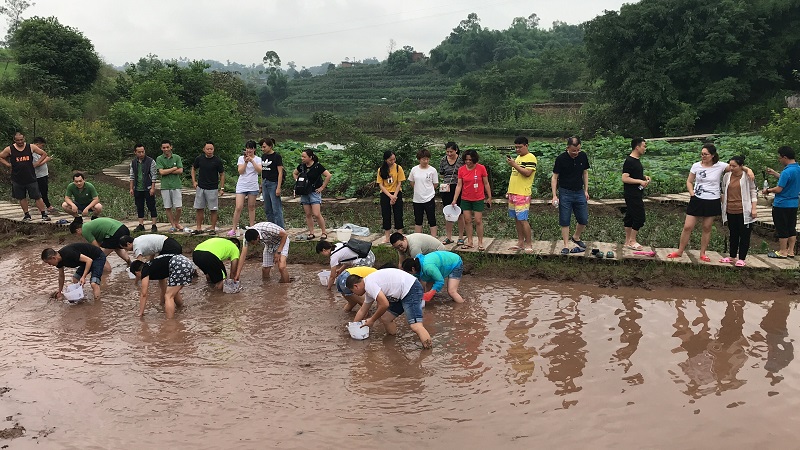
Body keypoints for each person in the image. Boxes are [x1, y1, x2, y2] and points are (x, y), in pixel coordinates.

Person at [668, 143, 754, 261]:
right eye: (702, 154)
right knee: (688, 226)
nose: (703, 156)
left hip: (712, 200)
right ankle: (680, 250)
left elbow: (736, 166)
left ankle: (703, 253)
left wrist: (748, 170)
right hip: (697, 199)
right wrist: (692, 193)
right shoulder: (696, 166)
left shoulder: (720, 166)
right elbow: (689, 181)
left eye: (706, 154)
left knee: (707, 227)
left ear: (712, 155)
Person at [347, 268, 433, 349]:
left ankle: (428, 351)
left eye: (352, 291)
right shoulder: (369, 288)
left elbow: (384, 304)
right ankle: (392, 342)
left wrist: (372, 319)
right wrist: (354, 327)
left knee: (416, 326)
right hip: (401, 292)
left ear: (356, 286)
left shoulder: (369, 284)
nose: (355, 294)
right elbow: (362, 310)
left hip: (411, 288)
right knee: (386, 318)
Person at [0, 132, 51, 222]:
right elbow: (1, 157)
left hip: (30, 177)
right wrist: (8, 164)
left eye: (21, 140)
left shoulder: (31, 147)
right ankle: (26, 214)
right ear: (14, 140)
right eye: (18, 140)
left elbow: (44, 154)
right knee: (21, 197)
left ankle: (44, 214)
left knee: (37, 196)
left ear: (24, 139)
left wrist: (37, 163)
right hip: (17, 178)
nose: (20, 142)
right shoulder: (10, 149)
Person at [552, 136, 590, 255]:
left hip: (579, 191)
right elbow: (554, 177)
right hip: (565, 192)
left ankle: (576, 237)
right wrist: (554, 195)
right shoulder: (561, 159)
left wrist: (586, 190)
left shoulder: (583, 156)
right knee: (565, 219)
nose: (576, 153)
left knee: (583, 219)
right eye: (574, 150)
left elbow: (585, 173)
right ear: (567, 147)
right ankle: (566, 245)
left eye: (578, 150)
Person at [763, 146, 800, 259]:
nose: (779, 160)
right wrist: (775, 173)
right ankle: (791, 251)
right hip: (793, 204)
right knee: (791, 227)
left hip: (782, 204)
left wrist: (768, 190)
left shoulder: (787, 171)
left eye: (780, 158)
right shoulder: (797, 168)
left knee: (781, 228)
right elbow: (789, 180)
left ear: (784, 157)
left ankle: (782, 251)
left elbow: (779, 189)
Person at [130, 254, 195, 318]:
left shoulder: (144, 270)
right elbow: (164, 288)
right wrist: (161, 303)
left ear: (137, 272)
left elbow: (144, 294)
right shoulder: (154, 266)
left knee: (168, 296)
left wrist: (140, 313)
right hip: (187, 262)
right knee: (172, 292)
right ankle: (181, 308)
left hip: (179, 265)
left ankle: (170, 322)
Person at [720, 156, 758, 266]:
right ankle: (732, 256)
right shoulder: (727, 176)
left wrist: (753, 208)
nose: (731, 168)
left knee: (744, 234)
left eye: (734, 166)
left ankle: (742, 258)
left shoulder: (747, 176)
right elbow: (723, 190)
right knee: (733, 233)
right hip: (730, 209)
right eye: (730, 165)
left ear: (741, 166)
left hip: (744, 210)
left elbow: (753, 191)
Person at [452, 149, 491, 251]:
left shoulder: (481, 168)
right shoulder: (461, 170)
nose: (468, 162)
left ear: (474, 159)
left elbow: (486, 183)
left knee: (478, 220)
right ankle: (469, 241)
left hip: (478, 198)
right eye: (466, 160)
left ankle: (480, 242)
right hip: (465, 198)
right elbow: (459, 185)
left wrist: (489, 197)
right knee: (467, 220)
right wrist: (454, 199)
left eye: (470, 160)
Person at [41, 243, 111, 301]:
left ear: (54, 258)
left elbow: (89, 260)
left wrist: (83, 277)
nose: (49, 265)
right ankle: (81, 298)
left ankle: (97, 306)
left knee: (94, 283)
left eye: (49, 263)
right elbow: (61, 276)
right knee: (76, 279)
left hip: (97, 257)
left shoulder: (69, 253)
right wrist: (60, 291)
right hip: (86, 261)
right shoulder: (59, 262)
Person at [506, 136, 537, 252]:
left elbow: (527, 173)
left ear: (526, 146)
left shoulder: (531, 158)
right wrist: (509, 190)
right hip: (513, 192)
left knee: (523, 219)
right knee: (516, 219)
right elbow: (515, 176)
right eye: (516, 147)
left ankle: (529, 244)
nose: (518, 149)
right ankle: (520, 242)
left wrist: (514, 165)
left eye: (520, 147)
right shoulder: (518, 158)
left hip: (522, 194)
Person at [293, 148, 330, 240]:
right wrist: (299, 182)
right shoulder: (301, 166)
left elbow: (328, 175)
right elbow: (294, 173)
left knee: (316, 213)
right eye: (302, 156)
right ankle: (311, 232)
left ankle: (324, 232)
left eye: (304, 157)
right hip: (304, 192)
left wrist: (322, 187)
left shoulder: (317, 166)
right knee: (308, 214)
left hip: (314, 192)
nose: (302, 158)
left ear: (310, 157)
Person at [622, 137, 651, 250]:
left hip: (636, 193)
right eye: (644, 146)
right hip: (632, 194)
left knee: (629, 217)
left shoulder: (636, 161)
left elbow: (634, 175)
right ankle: (632, 240)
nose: (645, 148)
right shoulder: (629, 161)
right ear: (637, 147)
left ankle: (627, 241)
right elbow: (625, 178)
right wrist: (640, 181)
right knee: (640, 217)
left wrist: (644, 178)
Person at [191, 141, 225, 235]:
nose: (209, 151)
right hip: (201, 187)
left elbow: (222, 174)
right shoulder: (199, 159)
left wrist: (221, 188)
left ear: (213, 150)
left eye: (211, 149)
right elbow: (193, 168)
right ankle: (198, 228)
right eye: (208, 149)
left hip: (213, 188)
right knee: (199, 208)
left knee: (213, 209)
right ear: (204, 149)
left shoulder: (217, 161)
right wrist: (194, 181)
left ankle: (213, 228)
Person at [229, 140, 262, 236]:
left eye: (251, 148)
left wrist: (252, 160)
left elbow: (259, 170)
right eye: (247, 148)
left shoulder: (258, 159)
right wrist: (246, 162)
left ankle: (252, 227)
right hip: (242, 185)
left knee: (251, 207)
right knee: (238, 207)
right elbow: (240, 171)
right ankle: (233, 228)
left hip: (253, 185)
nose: (249, 150)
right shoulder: (241, 158)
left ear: (254, 149)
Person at [408, 148, 439, 237]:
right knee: (418, 219)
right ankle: (418, 238)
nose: (425, 161)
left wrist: (428, 190)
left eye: (427, 159)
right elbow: (411, 181)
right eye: (423, 159)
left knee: (431, 219)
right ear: (419, 159)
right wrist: (418, 189)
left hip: (429, 197)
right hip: (417, 199)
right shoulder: (414, 169)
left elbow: (435, 183)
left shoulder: (432, 170)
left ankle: (434, 238)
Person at [439, 141, 465, 245]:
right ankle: (448, 237)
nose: (449, 154)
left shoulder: (461, 160)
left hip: (459, 187)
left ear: (456, 150)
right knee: (448, 212)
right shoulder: (443, 160)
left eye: (451, 151)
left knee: (460, 213)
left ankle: (460, 237)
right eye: (447, 151)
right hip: (446, 188)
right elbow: (441, 174)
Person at [377, 150, 405, 243]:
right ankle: (387, 237)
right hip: (385, 194)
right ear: (386, 160)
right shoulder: (381, 170)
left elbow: (399, 183)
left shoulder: (398, 168)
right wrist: (389, 196)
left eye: (394, 159)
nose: (392, 161)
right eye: (390, 160)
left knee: (398, 214)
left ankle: (400, 235)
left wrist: (394, 196)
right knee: (386, 215)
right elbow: (381, 184)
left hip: (396, 193)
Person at [129, 143, 158, 233]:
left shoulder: (151, 161)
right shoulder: (133, 162)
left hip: (148, 187)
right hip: (138, 187)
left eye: (143, 152)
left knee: (151, 206)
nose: (141, 154)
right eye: (139, 152)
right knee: (139, 206)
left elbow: (154, 175)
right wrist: (131, 188)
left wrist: (153, 188)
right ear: (135, 152)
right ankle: (141, 224)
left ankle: (154, 224)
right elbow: (132, 176)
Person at [156, 140, 184, 232]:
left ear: (171, 147)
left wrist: (167, 170)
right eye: (164, 147)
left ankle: (176, 222)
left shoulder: (176, 157)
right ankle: (172, 225)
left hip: (176, 185)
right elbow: (161, 172)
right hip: (165, 186)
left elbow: (180, 171)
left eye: (167, 147)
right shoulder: (159, 158)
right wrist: (173, 168)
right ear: (161, 148)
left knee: (179, 208)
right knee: (168, 207)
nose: (166, 149)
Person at [260, 137, 285, 228]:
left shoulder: (276, 156)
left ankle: (280, 229)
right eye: (262, 147)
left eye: (264, 147)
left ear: (270, 146)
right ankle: (272, 228)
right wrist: (261, 184)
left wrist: (278, 187)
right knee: (267, 209)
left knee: (276, 209)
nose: (262, 149)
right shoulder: (263, 156)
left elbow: (280, 172)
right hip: (265, 183)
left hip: (273, 183)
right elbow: (262, 171)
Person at [31, 137, 54, 214]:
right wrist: (46, 160)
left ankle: (46, 206)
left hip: (44, 174)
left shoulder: (39, 152)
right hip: (38, 175)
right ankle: (46, 206)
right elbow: (36, 164)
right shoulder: (33, 153)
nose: (42, 147)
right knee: (42, 192)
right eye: (42, 145)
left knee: (45, 191)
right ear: (37, 144)